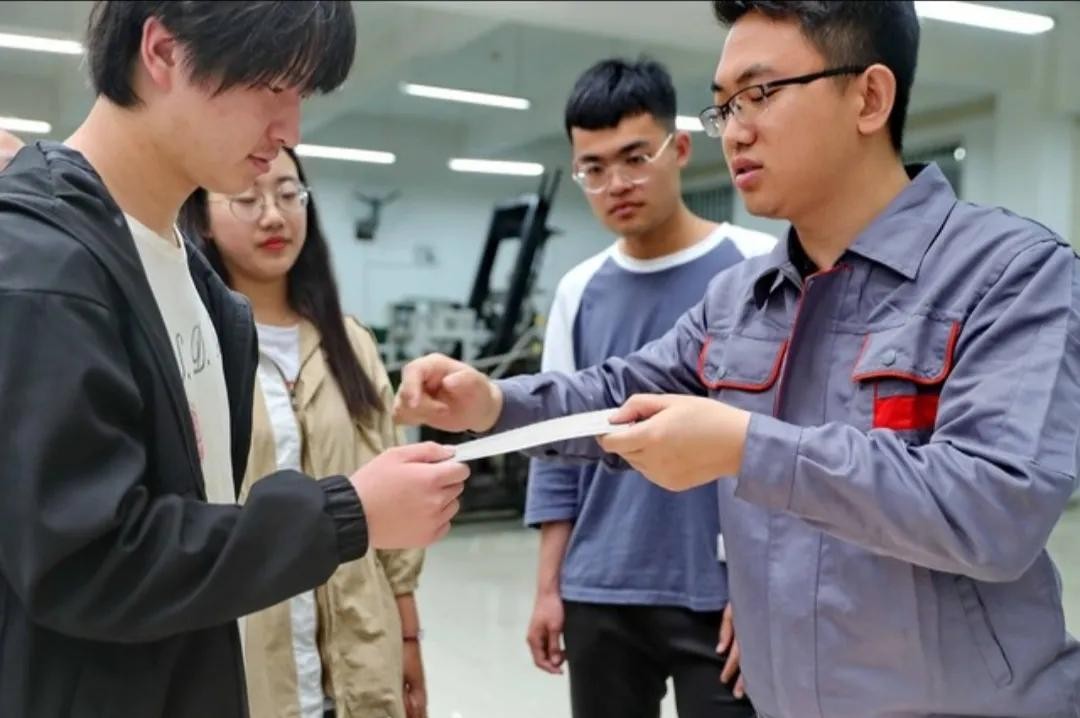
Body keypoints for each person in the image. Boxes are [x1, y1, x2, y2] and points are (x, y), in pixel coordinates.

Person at [394, 2, 1080, 717]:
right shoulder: (742, 298)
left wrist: (747, 448)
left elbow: (993, 509)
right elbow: (621, 393)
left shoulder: (1010, 275)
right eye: (724, 107)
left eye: (761, 94)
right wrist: (494, 403)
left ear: (870, 97)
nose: (735, 131)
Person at [0, 3, 467, 717]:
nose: (289, 130)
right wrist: (347, 514)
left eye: (300, 94)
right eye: (272, 87)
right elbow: (88, 560)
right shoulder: (40, 267)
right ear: (164, 52)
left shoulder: (193, 282)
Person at [525, 57, 771, 718]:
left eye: (635, 158)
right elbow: (557, 451)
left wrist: (764, 589)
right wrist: (549, 587)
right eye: (593, 168)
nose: (616, 184)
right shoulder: (578, 290)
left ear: (680, 148)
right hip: (600, 587)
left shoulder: (754, 265)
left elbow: (781, 439)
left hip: (718, 593)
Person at [179, 148, 429, 718]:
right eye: (247, 199)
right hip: (252, 650)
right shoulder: (196, 349)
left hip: (363, 648)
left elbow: (392, 508)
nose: (274, 215)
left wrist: (409, 637)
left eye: (290, 194)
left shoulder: (350, 342)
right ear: (203, 218)